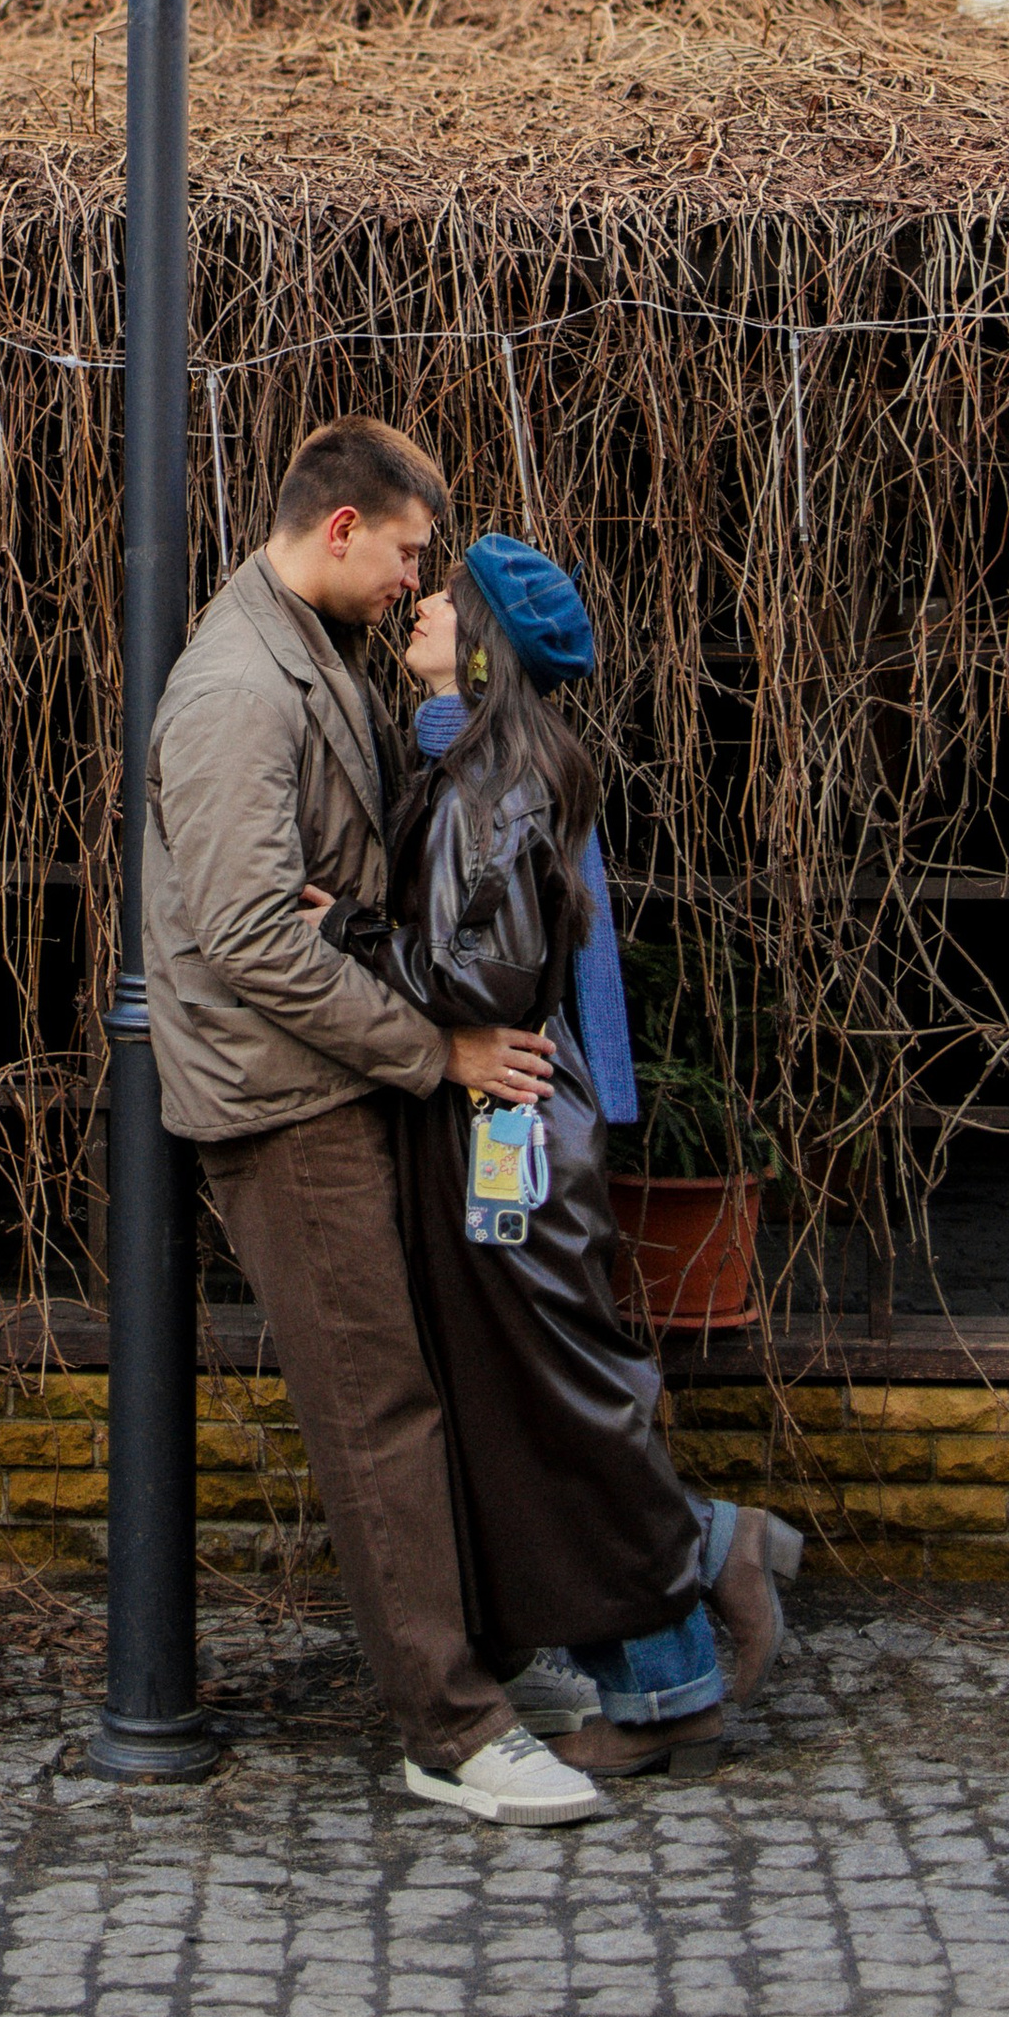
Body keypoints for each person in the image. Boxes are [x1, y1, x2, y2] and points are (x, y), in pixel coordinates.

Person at [143, 417, 605, 1825]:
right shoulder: (236, 685)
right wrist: (434, 1050)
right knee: (377, 1408)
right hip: (288, 1101)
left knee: (416, 1387)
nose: (417, 582)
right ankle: (451, 1730)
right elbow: (244, 937)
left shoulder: (309, 647)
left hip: (340, 1081)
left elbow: (325, 893)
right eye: (408, 552)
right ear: (341, 527)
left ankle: (482, 1665)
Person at [318, 533, 801, 1773]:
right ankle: (684, 1608)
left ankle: (682, 1638)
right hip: (505, 1124)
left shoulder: (491, 782)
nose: (418, 606)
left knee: (558, 1400)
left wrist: (355, 932)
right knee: (542, 1397)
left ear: (483, 644)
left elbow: (479, 974)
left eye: (444, 600)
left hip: (506, 1126)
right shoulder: (482, 765)